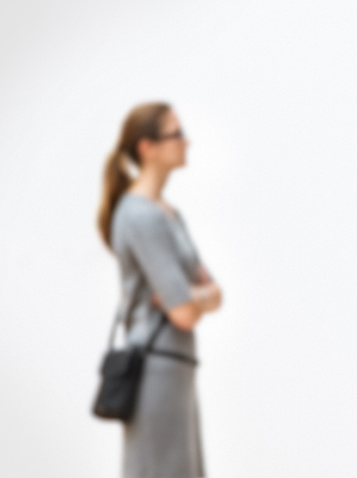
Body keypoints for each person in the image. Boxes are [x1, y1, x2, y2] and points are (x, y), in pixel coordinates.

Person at [97, 102, 223, 478]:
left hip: (176, 365)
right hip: (156, 366)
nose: (186, 142)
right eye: (176, 134)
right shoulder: (140, 215)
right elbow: (183, 312)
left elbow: (209, 292)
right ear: (146, 148)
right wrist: (193, 297)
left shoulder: (167, 213)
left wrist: (190, 296)